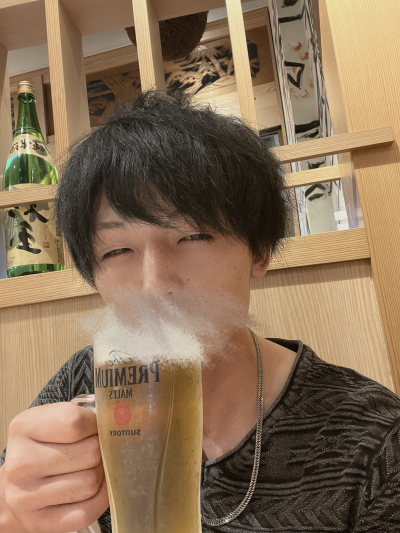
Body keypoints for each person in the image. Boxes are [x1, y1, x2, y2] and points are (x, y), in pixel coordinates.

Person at [1, 90, 400, 533]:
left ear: (259, 251)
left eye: (192, 237)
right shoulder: (89, 381)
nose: (154, 285)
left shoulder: (373, 442)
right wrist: (13, 517)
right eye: (116, 250)